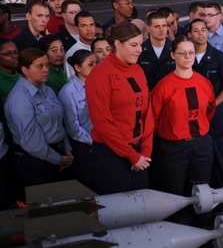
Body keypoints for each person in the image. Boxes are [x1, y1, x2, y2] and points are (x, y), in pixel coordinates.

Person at [86, 22, 153, 194]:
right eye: (134, 45)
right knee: (118, 213)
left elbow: (147, 112)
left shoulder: (138, 69)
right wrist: (132, 156)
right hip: (112, 155)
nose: (139, 49)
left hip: (139, 153)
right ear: (117, 44)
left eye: (141, 45)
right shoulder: (100, 73)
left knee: (141, 209)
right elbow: (102, 122)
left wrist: (144, 151)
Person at [151, 36, 216, 197]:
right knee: (173, 192)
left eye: (191, 53)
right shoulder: (163, 86)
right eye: (182, 53)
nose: (188, 57)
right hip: (173, 148)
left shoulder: (204, 82)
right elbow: (153, 118)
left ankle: (200, 222)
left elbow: (210, 110)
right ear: (173, 55)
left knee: (201, 192)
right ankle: (174, 222)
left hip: (201, 144)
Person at [4, 48, 73, 200]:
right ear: (25, 69)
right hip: (36, 161)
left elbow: (59, 122)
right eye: (40, 66)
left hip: (57, 155)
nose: (46, 70)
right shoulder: (20, 99)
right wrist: (58, 159)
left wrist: (66, 149)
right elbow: (31, 142)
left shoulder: (46, 90)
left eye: (47, 65)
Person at [188, 19, 223, 188]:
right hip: (193, 116)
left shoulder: (219, 57)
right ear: (190, 34)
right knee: (198, 156)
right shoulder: (187, 57)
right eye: (196, 30)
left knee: (220, 153)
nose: (201, 34)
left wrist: (212, 105)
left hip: (216, 114)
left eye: (204, 30)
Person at [58, 50, 96, 187]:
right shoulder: (68, 92)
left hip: (99, 142)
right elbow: (73, 128)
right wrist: (92, 142)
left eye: (96, 63)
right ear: (77, 68)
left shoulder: (98, 84)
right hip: (82, 145)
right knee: (86, 185)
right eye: (91, 64)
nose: (95, 67)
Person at [137, 11, 175, 91]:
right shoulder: (139, 50)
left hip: (171, 95)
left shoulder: (176, 48)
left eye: (164, 26)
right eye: (157, 26)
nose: (161, 29)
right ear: (148, 28)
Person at [64, 11, 96, 78]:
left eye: (91, 25)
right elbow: (71, 79)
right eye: (83, 26)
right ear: (76, 28)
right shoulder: (71, 53)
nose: (89, 29)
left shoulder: (103, 46)